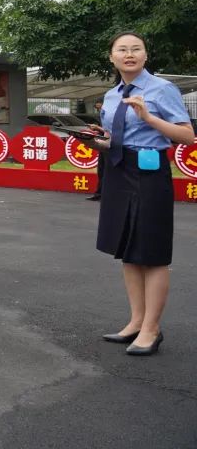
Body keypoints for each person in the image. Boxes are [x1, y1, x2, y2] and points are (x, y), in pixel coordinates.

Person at [84, 32, 193, 356]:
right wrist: (101, 140)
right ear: (112, 57)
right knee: (128, 250)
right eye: (122, 49)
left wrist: (149, 117)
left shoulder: (162, 89)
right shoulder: (112, 95)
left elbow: (187, 136)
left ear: (145, 55)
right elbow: (118, 136)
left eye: (136, 49)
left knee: (152, 253)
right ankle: (136, 321)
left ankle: (152, 329)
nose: (129, 54)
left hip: (149, 174)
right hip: (118, 171)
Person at [88, 100, 105, 202]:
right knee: (101, 171)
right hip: (103, 145)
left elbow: (112, 131)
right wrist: (97, 130)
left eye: (100, 108)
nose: (99, 110)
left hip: (111, 145)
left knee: (107, 171)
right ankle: (99, 194)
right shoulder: (102, 116)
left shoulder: (112, 115)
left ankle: (105, 194)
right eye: (97, 109)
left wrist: (98, 128)